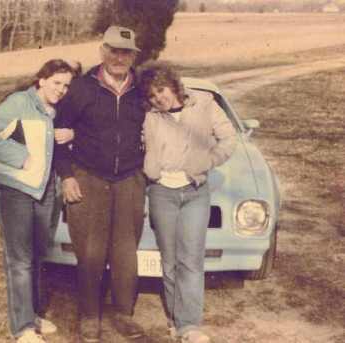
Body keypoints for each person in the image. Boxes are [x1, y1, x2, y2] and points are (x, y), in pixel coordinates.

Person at [54, 26, 146, 342]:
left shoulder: (142, 89)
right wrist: (66, 175)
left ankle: (123, 313)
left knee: (125, 253)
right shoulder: (81, 89)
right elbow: (58, 134)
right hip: (88, 177)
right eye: (114, 50)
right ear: (102, 51)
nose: (119, 57)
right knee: (91, 253)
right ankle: (89, 316)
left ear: (134, 55)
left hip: (130, 180)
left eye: (126, 52)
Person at [0, 59, 75, 343]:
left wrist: (72, 133)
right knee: (20, 260)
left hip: (45, 192)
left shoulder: (57, 109)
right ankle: (22, 329)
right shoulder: (18, 103)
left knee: (36, 255)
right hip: (15, 191)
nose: (61, 90)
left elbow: (62, 140)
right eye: (57, 83)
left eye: (66, 85)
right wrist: (22, 159)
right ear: (41, 80)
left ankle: (31, 316)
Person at [138, 62, 237, 343]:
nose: (159, 98)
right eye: (153, 95)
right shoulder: (150, 116)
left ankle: (189, 325)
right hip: (161, 193)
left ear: (173, 85)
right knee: (169, 261)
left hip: (195, 192)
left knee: (191, 260)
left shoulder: (204, 104)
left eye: (161, 90)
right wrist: (149, 169)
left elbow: (229, 139)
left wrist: (210, 160)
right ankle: (175, 320)